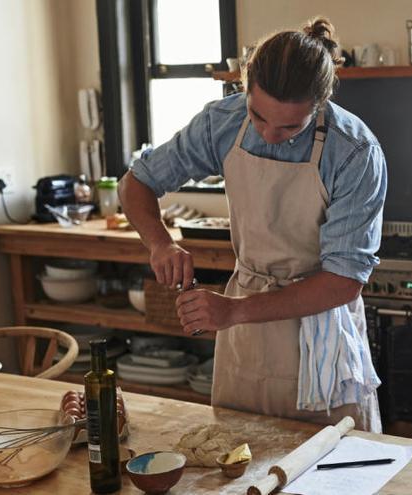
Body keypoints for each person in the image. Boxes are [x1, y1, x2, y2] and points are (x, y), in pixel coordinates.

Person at [118, 17, 386, 432]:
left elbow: (342, 282)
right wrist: (160, 243)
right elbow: (136, 183)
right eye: (258, 116)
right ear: (245, 86)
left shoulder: (354, 151)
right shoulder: (222, 123)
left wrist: (234, 311)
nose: (269, 134)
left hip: (320, 329)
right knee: (235, 463)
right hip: (246, 334)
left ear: (320, 102)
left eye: (290, 126)